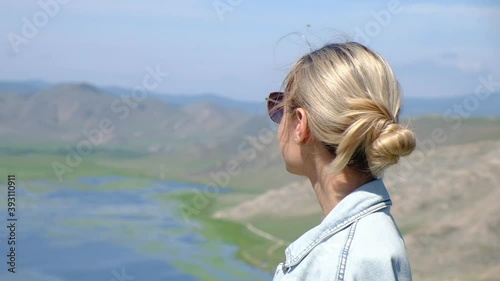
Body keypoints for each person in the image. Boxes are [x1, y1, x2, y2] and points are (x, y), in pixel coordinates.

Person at [266, 41, 416, 281]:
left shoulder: (337, 264)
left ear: (300, 124)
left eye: (279, 107)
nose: (277, 118)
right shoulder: (372, 240)